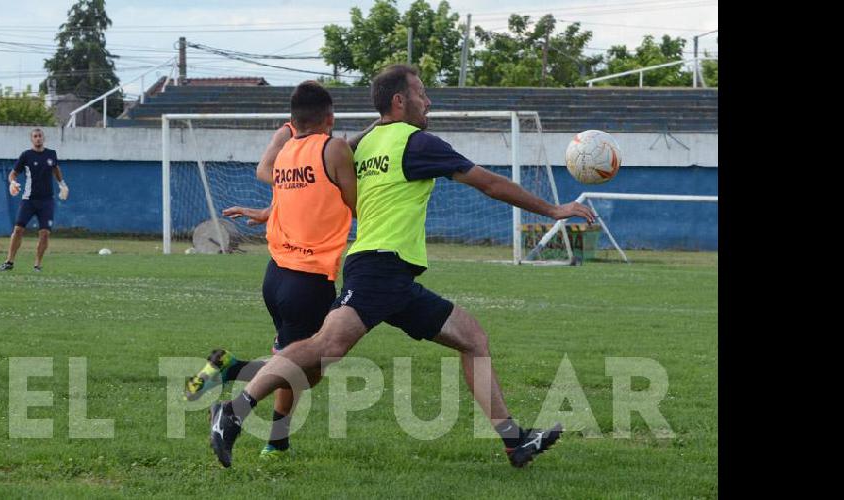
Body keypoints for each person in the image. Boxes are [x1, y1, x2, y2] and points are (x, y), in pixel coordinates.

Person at [208, 65, 595, 469]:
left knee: (472, 337)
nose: (428, 102)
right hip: (379, 268)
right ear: (399, 100)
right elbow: (489, 184)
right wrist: (554, 208)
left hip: (392, 274)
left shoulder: (363, 142)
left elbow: (312, 183)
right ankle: (233, 411)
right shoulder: (417, 143)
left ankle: (514, 441)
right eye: (421, 93)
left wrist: (270, 209)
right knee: (327, 346)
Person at [185, 81, 357, 460]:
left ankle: (264, 420)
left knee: (301, 364)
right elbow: (358, 206)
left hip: (276, 275)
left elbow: (293, 192)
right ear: (329, 119)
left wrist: (268, 209)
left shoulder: (287, 154)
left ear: (294, 120)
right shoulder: (334, 149)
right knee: (301, 367)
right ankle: (264, 429)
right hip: (308, 278)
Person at [0, 128, 69, 272]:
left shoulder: (51, 154)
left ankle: (37, 265)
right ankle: (9, 262)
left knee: (45, 233)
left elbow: (56, 169)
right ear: (32, 139)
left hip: (46, 201)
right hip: (28, 200)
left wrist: (62, 185)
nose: (38, 138)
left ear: (44, 138)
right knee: (18, 230)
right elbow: (13, 174)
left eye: (40, 136)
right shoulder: (26, 155)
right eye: (35, 136)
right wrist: (13, 182)